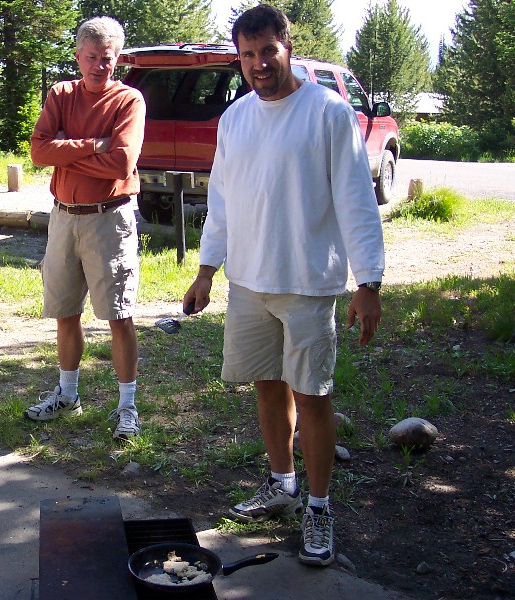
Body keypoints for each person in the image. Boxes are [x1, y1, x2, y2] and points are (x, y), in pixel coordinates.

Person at [182, 5, 385, 567]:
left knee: (313, 397)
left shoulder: (327, 113)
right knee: (267, 387)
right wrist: (206, 270)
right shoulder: (236, 117)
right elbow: (220, 200)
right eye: (246, 55)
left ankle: (318, 507)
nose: (258, 65)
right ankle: (282, 483)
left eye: (267, 51)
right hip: (248, 281)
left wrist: (368, 280)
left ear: (287, 45)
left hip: (306, 282)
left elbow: (355, 200)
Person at [26, 17, 146, 440]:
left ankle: (127, 406)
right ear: (78, 56)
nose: (99, 66)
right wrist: (94, 144)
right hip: (63, 217)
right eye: (91, 57)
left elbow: (121, 163)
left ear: (118, 59)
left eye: (107, 59)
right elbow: (39, 151)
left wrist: (66, 150)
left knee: (118, 314)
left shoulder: (129, 100)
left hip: (109, 218)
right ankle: (67, 394)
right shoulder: (61, 93)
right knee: (64, 311)